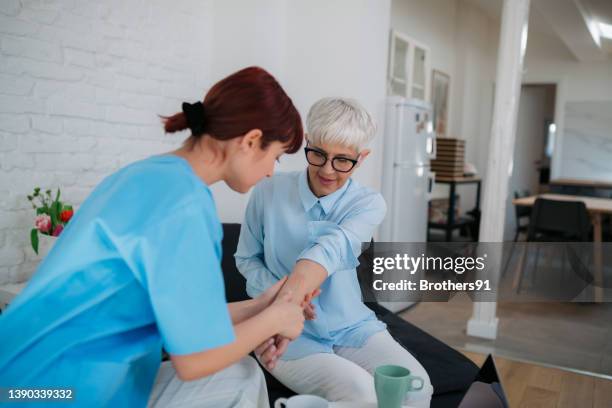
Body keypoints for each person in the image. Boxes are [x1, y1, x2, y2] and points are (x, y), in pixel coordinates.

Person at [0, 66, 306, 408]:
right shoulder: (185, 206)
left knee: (241, 376)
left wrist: (260, 306)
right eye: (275, 157)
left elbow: (188, 322)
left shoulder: (147, 175)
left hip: (19, 376)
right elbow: (195, 359)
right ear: (251, 141)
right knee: (238, 378)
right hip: (52, 393)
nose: (269, 173)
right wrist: (277, 319)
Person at [236, 97, 434, 407]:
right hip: (282, 327)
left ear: (361, 157)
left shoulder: (368, 203)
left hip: (351, 325)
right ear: (308, 144)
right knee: (362, 394)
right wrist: (281, 301)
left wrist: (296, 292)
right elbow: (247, 259)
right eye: (318, 154)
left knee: (417, 389)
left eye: (342, 160)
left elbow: (331, 249)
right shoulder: (268, 191)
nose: (327, 170)